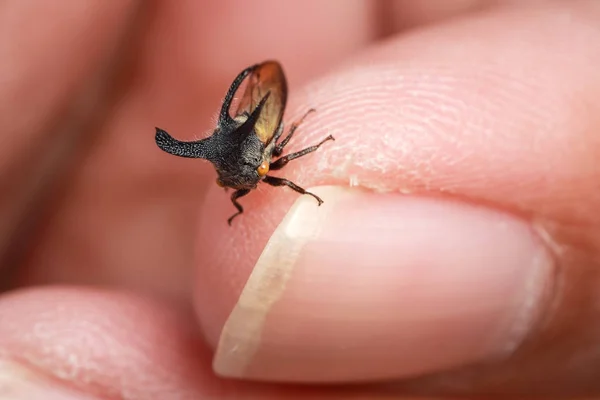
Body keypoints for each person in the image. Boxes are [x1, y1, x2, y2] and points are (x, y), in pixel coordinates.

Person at [1, 1, 598, 398]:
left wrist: (294, 171)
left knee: (297, 174)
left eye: (235, 188)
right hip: (258, 132)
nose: (234, 196)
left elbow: (279, 156)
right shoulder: (244, 175)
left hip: (265, 131)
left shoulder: (261, 164)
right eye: (233, 191)